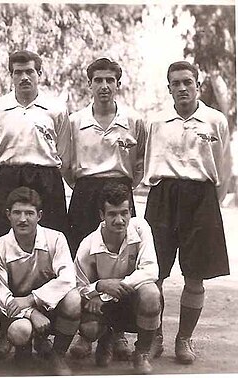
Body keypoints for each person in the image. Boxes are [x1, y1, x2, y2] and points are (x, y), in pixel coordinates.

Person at [143, 61, 232, 364]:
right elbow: (146, 164)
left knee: (195, 276)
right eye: (175, 83)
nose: (182, 88)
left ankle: (184, 338)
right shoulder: (155, 122)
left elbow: (223, 168)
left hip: (201, 198)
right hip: (163, 197)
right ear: (168, 88)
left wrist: (209, 203)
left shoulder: (215, 120)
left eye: (187, 82)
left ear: (197, 83)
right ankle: (154, 337)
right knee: (153, 274)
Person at [0, 50, 71, 358]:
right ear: (11, 75)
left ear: (39, 74)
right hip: (9, 176)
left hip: (46, 179)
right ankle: (5, 331)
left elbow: (64, 151)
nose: (24, 77)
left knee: (47, 251)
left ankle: (44, 331)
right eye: (18, 72)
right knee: (3, 250)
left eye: (30, 72)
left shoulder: (56, 109)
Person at [66, 58, 146, 361]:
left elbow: (138, 166)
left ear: (118, 84)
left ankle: (118, 334)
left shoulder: (134, 121)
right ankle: (86, 333)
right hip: (86, 192)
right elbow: (67, 164)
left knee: (122, 262)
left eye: (110, 80)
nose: (104, 86)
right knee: (86, 261)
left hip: (120, 192)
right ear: (89, 85)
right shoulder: (74, 121)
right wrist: (87, 188)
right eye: (97, 80)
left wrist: (123, 187)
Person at [0, 187, 80, 376]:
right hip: (20, 312)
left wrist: (33, 299)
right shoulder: (0, 247)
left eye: (29, 213)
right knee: (19, 331)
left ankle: (58, 354)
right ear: (8, 215)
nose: (23, 219)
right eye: (17, 213)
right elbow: (1, 295)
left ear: (39, 215)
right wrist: (31, 312)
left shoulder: (56, 239)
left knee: (74, 299)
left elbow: (68, 278)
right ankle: (23, 351)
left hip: (52, 306)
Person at [74, 182, 161, 374]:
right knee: (89, 328)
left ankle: (142, 353)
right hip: (103, 306)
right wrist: (99, 286)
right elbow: (78, 286)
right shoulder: (88, 245)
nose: (119, 220)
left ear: (131, 211)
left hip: (129, 296)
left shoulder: (140, 228)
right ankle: (106, 337)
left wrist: (111, 288)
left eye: (124, 213)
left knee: (151, 294)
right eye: (112, 214)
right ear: (101, 215)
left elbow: (151, 270)